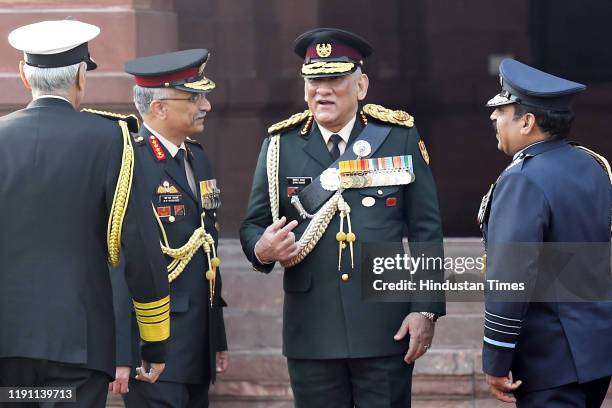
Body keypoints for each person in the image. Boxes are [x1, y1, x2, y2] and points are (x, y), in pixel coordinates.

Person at [240, 27, 445, 407]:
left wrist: (425, 308)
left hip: (385, 326)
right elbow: (253, 225)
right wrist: (264, 250)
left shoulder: (397, 137)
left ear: (361, 85)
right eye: (314, 80)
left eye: (334, 79)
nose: (322, 90)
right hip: (311, 329)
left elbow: (425, 229)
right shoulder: (279, 147)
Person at [0, 19, 169, 407]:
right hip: (79, 345)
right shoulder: (112, 140)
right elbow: (141, 248)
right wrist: (154, 341)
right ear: (81, 76)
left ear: (24, 76)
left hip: (6, 344)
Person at [479, 58, 612, 407]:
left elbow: (511, 273)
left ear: (527, 122)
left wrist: (496, 357)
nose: (494, 117)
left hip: (549, 360)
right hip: (594, 355)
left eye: (502, 109)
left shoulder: (523, 178)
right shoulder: (592, 166)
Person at [109, 49, 228, 408]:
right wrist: (123, 350)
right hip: (154, 345)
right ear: (159, 107)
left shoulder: (198, 157)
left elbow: (208, 251)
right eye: (195, 97)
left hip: (197, 345)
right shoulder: (128, 161)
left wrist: (217, 337)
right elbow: (117, 260)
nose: (205, 105)